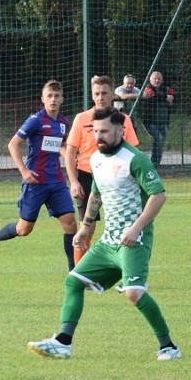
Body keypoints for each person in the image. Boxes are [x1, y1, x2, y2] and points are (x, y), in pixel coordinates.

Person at [27, 106, 181, 362]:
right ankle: (63, 342)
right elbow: (96, 193)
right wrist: (86, 227)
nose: (99, 136)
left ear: (121, 131)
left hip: (134, 241)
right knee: (73, 281)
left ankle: (169, 347)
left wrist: (136, 228)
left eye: (105, 131)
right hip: (108, 240)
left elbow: (159, 195)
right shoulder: (96, 159)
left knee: (134, 294)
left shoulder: (135, 159)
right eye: (96, 131)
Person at [0, 80, 76, 271]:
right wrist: (23, 171)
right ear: (42, 99)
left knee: (70, 224)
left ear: (62, 99)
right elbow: (13, 144)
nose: (53, 99)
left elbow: (61, 145)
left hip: (56, 181)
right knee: (24, 229)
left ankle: (74, 273)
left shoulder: (64, 123)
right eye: (49, 96)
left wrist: (71, 157)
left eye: (56, 96)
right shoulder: (36, 120)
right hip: (35, 181)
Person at [65, 75, 139, 265]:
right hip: (87, 177)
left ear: (112, 94)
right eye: (96, 93)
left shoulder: (124, 120)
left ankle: (125, 269)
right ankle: (79, 273)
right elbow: (70, 151)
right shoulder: (81, 119)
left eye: (104, 93)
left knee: (123, 226)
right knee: (87, 228)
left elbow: (133, 152)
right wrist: (73, 181)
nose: (100, 97)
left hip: (115, 178)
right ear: (92, 95)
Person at [141, 71, 175, 167]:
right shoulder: (147, 88)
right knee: (158, 139)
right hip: (150, 122)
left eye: (159, 78)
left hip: (163, 122)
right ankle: (153, 163)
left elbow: (174, 93)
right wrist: (166, 97)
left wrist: (171, 97)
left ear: (162, 80)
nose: (157, 80)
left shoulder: (164, 89)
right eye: (155, 78)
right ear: (150, 79)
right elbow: (153, 96)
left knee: (161, 143)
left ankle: (157, 163)